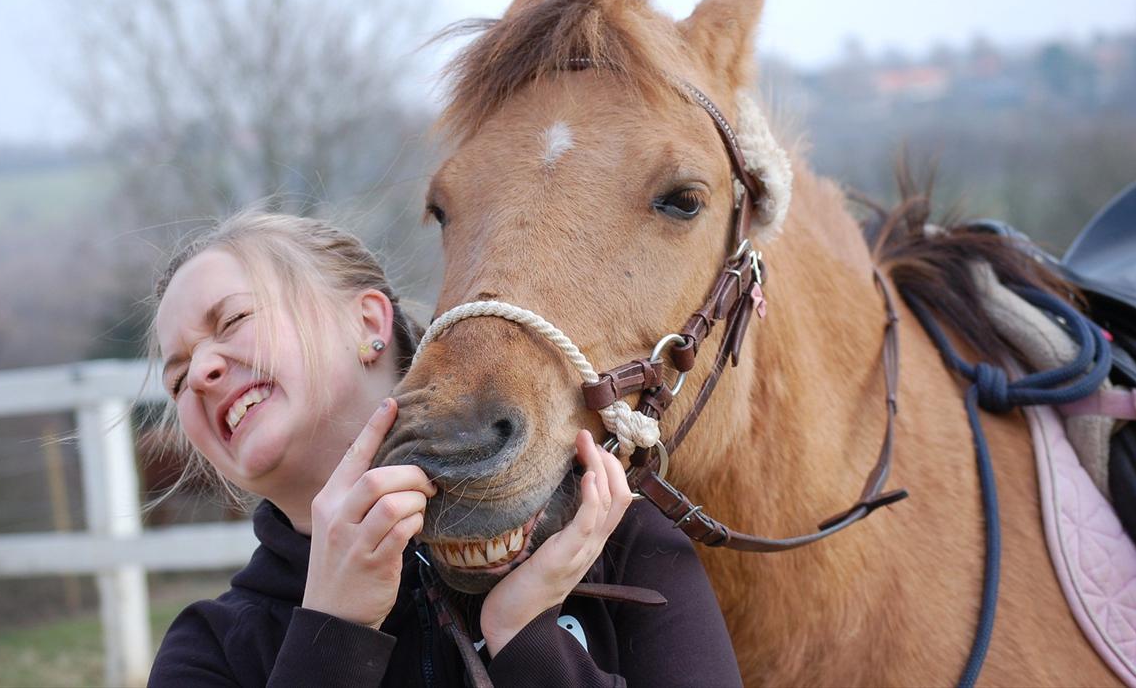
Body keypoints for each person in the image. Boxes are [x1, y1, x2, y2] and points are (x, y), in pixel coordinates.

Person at [147, 211, 742, 687]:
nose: (200, 371)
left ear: (368, 324)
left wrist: (525, 636)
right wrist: (334, 630)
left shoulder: (622, 548)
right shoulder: (209, 648)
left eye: (233, 320)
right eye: (176, 378)